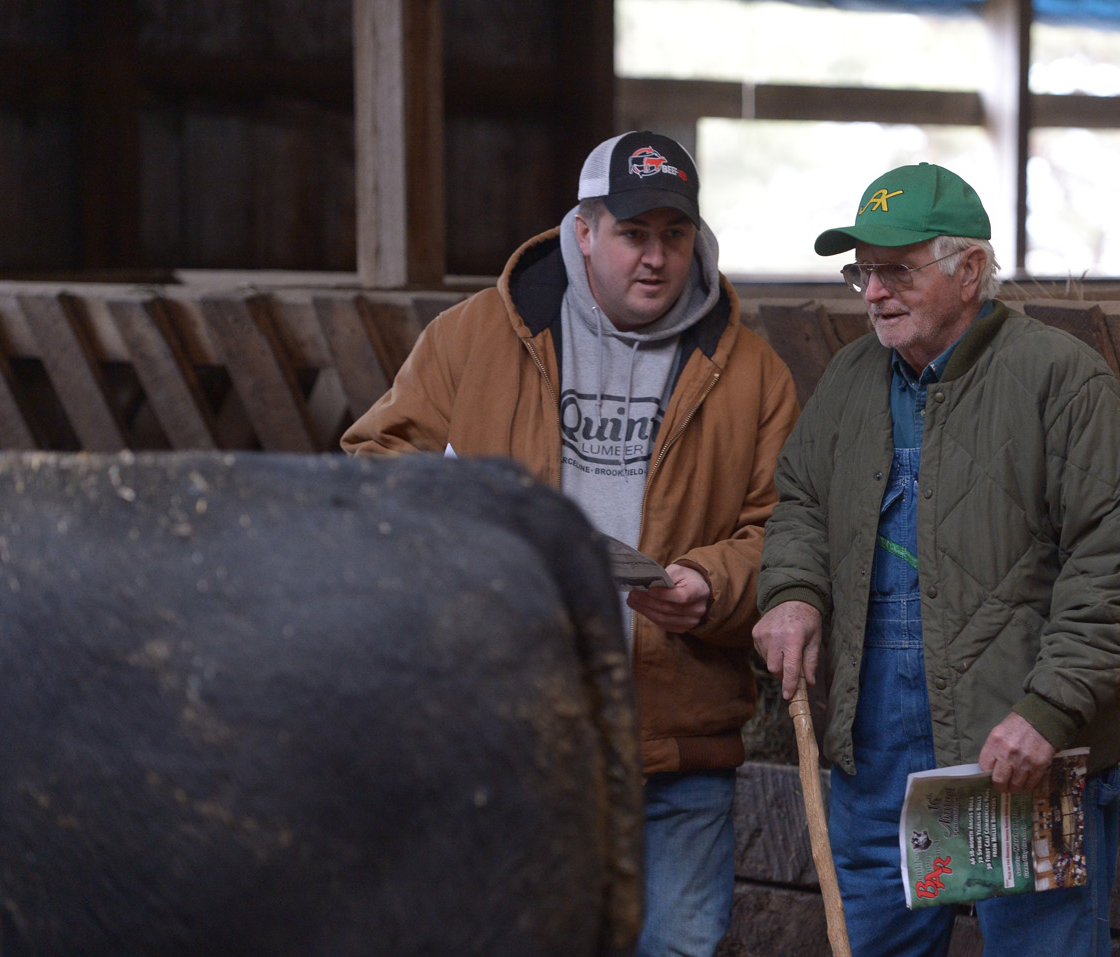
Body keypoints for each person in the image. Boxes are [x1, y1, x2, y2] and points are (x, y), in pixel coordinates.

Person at [342, 131, 800, 956]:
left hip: (677, 747)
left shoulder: (752, 373)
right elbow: (373, 469)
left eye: (673, 233)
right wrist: (477, 548)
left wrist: (712, 582)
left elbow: (787, 530)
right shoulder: (477, 336)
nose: (655, 257)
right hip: (513, 735)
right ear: (583, 231)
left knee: (678, 948)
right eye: (633, 233)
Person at [752, 163, 1120, 956]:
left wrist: (1047, 709)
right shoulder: (849, 381)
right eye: (862, 272)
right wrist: (795, 590)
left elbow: (1117, 561)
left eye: (897, 271)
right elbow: (801, 499)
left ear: (969, 269)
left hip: (1011, 749)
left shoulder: (1060, 381)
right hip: (871, 750)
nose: (873, 293)